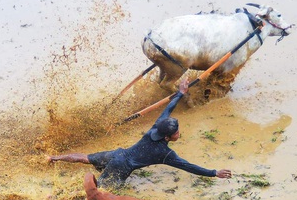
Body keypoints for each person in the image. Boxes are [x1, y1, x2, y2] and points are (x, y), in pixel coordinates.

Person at [47, 79, 232, 186]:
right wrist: (214, 172)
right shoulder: (165, 154)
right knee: (100, 192)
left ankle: (53, 158)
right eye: (177, 133)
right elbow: (188, 166)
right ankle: (63, 197)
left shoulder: (156, 127)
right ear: (167, 137)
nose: (179, 134)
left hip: (117, 153)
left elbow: (168, 109)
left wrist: (181, 93)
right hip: (121, 168)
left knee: (85, 158)